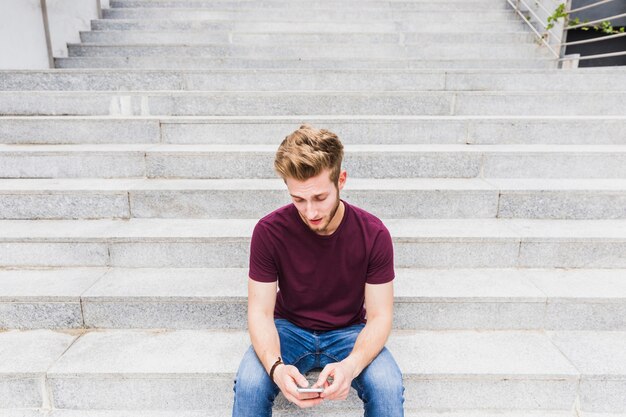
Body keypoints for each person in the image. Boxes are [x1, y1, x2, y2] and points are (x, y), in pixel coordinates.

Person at [232, 124, 405, 417]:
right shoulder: (269, 231)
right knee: (250, 384)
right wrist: (276, 369)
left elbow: (380, 316)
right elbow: (260, 313)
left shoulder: (373, 234)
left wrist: (351, 366)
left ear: (342, 179)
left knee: (387, 385)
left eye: (320, 198)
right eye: (298, 199)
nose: (310, 212)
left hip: (349, 331)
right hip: (288, 329)